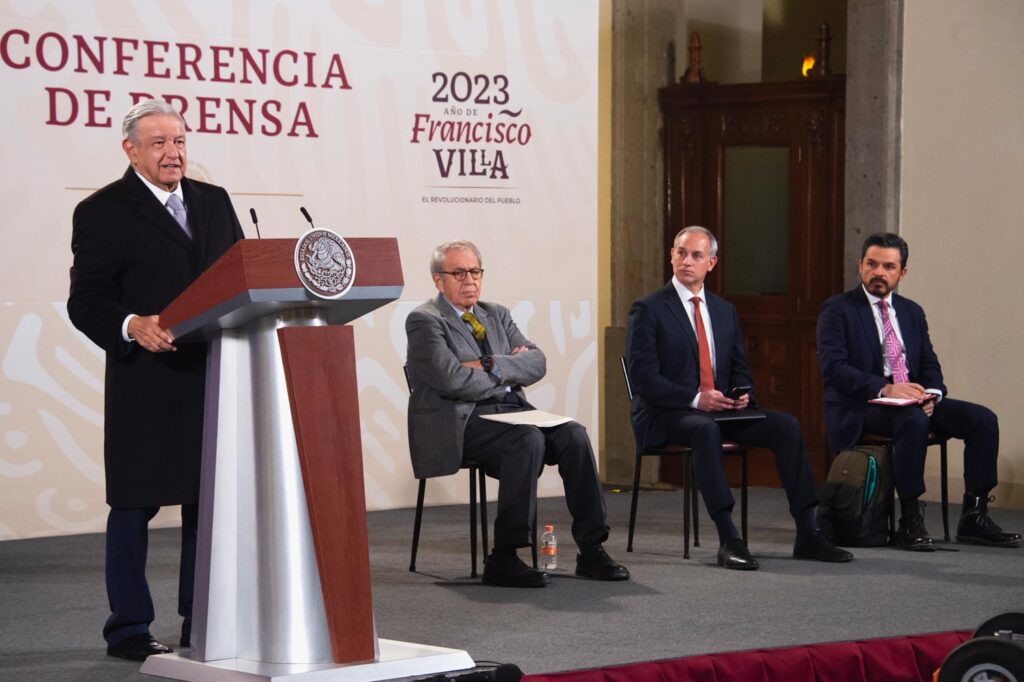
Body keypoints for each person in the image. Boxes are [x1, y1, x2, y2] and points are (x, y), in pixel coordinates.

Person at [68, 99, 245, 660]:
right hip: (145, 380)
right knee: (133, 506)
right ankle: (128, 628)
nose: (174, 153)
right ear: (131, 150)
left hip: (214, 374)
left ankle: (203, 618)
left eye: (180, 141)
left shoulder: (214, 201)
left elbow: (240, 278)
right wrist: (130, 324)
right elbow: (85, 300)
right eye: (160, 143)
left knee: (207, 505)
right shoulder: (102, 210)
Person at [405, 240, 629, 587]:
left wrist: (488, 364)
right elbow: (451, 380)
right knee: (526, 438)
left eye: (475, 271)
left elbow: (537, 362)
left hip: (513, 412)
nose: (470, 280)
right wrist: (509, 369)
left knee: (573, 434)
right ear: (438, 280)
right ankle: (504, 557)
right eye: (459, 273)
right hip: (463, 421)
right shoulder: (424, 320)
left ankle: (591, 549)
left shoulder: (497, 314)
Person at [626, 226, 852, 570]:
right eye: (681, 253)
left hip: (718, 411)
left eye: (696, 255)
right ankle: (728, 537)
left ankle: (808, 532)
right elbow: (644, 379)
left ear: (711, 263)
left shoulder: (723, 310)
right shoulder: (648, 309)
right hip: (666, 413)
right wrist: (695, 398)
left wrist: (741, 394)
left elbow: (739, 369)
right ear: (671, 255)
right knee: (704, 429)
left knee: (786, 426)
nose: (687, 261)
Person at [816, 232, 1021, 551]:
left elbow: (929, 364)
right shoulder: (837, 309)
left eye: (888, 266)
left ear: (902, 273)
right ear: (860, 266)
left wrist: (931, 395)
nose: (879, 272)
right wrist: (886, 388)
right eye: (872, 264)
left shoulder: (911, 311)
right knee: (912, 421)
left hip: (911, 401)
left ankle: (974, 516)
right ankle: (910, 520)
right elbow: (834, 368)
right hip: (861, 405)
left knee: (982, 420)